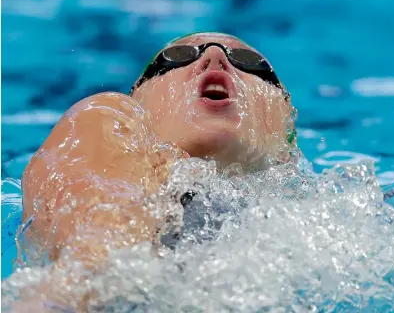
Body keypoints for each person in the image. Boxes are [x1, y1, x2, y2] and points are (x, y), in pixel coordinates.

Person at [16, 32, 296, 311]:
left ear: (286, 137)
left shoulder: (309, 224)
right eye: (176, 58)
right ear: (139, 102)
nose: (215, 56)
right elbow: (89, 269)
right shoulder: (105, 118)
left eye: (251, 63)